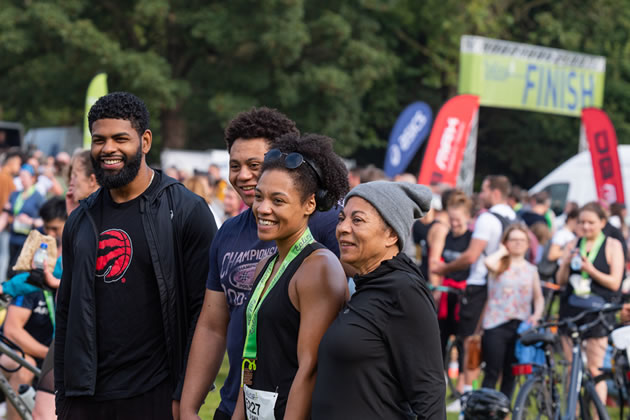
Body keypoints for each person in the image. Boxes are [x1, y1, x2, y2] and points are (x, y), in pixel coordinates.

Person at [54, 92, 217, 420]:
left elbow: (206, 314)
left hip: (155, 394)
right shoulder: (80, 220)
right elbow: (67, 310)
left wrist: (185, 396)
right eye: (99, 140)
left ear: (144, 141)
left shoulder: (186, 211)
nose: (108, 149)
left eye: (120, 138)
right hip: (86, 398)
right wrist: (64, 396)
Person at [179, 108, 341, 420]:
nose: (242, 175)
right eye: (234, 165)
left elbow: (316, 362)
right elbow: (213, 326)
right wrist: (188, 407)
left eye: (255, 165)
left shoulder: (323, 230)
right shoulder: (232, 235)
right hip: (243, 402)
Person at [230, 133, 348, 420]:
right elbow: (252, 361)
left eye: (277, 200)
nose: (263, 208)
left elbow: (310, 369)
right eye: (259, 197)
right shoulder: (266, 265)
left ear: (309, 204)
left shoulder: (318, 267)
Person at [312, 181, 444, 420]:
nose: (342, 228)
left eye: (357, 220)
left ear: (391, 234)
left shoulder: (404, 290)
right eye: (342, 218)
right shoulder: (370, 284)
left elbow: (429, 391)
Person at [432, 175, 515, 409]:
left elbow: (470, 256)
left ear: (495, 193)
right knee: (480, 343)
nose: (480, 194)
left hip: (480, 286)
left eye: (484, 189)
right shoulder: (512, 215)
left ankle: (467, 398)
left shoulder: (487, 218)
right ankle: (486, 399)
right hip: (502, 288)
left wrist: (443, 268)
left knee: (471, 342)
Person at [33, 152, 101, 420]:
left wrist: (55, 282)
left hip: (82, 329)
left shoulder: (100, 220)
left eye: (74, 177)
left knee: (46, 411)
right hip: (68, 325)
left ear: (93, 180)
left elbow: (90, 280)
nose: (68, 185)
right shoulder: (78, 215)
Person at [1, 197, 66, 420]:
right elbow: (11, 330)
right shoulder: (39, 264)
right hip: (33, 353)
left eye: (55, 228)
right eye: (46, 228)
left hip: (65, 350)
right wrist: (5, 287)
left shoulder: (73, 254)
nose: (51, 234)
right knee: (25, 367)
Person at [556, 201, 624, 405]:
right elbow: (560, 281)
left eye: (591, 222)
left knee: (595, 370)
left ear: (602, 222)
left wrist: (591, 269)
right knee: (571, 368)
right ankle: (572, 413)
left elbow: (615, 283)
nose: (586, 227)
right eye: (582, 222)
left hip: (598, 313)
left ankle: (596, 414)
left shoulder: (613, 245)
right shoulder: (573, 244)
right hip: (571, 311)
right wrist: (566, 262)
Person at [481, 224, 544, 399]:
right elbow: (488, 262)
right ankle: (486, 410)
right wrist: (502, 251)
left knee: (511, 373)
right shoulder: (499, 264)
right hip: (496, 323)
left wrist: (536, 315)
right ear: (506, 242)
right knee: (492, 371)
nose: (518, 243)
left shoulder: (531, 270)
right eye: (513, 239)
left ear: (527, 244)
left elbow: (538, 297)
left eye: (522, 240)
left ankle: (505, 409)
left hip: (520, 326)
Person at [437, 191, 473, 394]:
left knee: (461, 340)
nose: (455, 223)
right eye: (451, 220)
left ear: (467, 218)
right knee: (441, 336)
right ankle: (440, 381)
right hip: (446, 294)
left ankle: (461, 384)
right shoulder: (447, 237)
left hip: (463, 296)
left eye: (458, 220)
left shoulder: (471, 239)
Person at [0, 164, 45, 277]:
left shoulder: (38, 197)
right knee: (9, 270)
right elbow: (5, 216)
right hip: (13, 238)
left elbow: (45, 221)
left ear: (33, 178)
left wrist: (31, 221)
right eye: (20, 176)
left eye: (25, 176)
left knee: (20, 272)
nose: (22, 179)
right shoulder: (15, 195)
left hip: (28, 240)